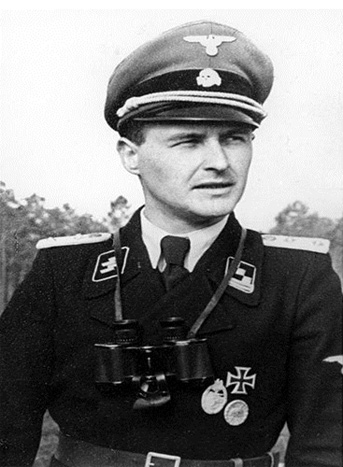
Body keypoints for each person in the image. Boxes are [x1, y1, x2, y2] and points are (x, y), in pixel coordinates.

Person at [0, 20, 342, 467]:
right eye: (189, 141)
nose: (219, 162)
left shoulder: (298, 278)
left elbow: (328, 443)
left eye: (234, 138)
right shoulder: (63, 271)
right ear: (130, 155)